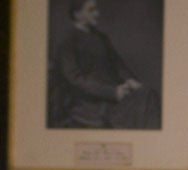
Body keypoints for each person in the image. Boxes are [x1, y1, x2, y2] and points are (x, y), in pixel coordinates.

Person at [48, 0, 161, 129]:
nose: (97, 14)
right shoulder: (67, 41)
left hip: (114, 97)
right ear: (77, 14)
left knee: (147, 95)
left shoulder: (101, 38)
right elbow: (75, 80)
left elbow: (118, 65)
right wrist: (112, 92)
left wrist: (130, 80)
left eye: (96, 9)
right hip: (87, 104)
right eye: (91, 10)